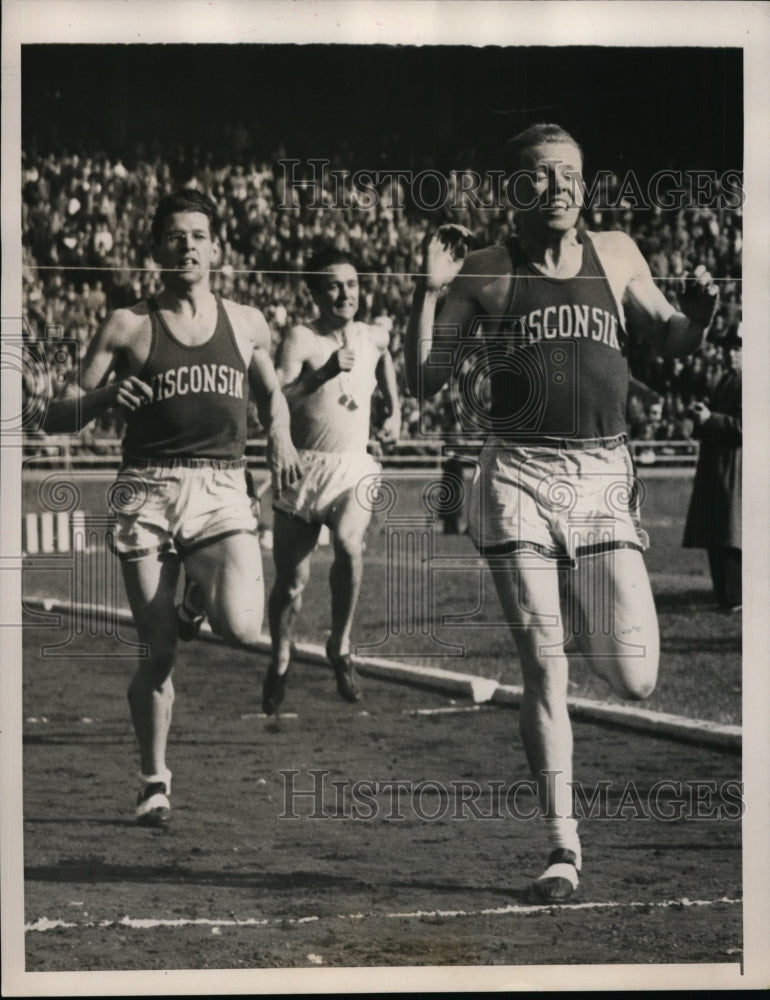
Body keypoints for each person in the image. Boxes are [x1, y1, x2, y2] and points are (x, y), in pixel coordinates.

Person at [405, 124, 719, 902]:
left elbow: (670, 336)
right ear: (516, 188)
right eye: (543, 176)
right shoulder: (484, 270)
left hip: (603, 474)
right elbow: (423, 381)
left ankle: (577, 596)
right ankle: (562, 845)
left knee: (638, 677)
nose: (560, 188)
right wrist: (428, 290)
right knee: (543, 663)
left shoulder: (617, 253)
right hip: (518, 472)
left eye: (571, 175)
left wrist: (702, 315)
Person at [42, 188, 302, 826]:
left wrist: (283, 439)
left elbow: (273, 397)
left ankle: (194, 601)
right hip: (147, 491)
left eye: (198, 235)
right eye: (174, 235)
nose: (187, 245)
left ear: (216, 248)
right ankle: (153, 780)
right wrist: (104, 399)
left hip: (219, 487)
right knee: (158, 655)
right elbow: (57, 415)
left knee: (243, 627)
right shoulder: (128, 324)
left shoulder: (246, 322)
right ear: (156, 247)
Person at [264, 248, 401, 714]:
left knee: (348, 544)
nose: (345, 294)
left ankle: (339, 647)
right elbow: (276, 400)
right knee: (292, 582)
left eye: (352, 285)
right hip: (302, 468)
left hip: (353, 466)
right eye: (334, 286)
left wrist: (396, 411)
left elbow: (385, 360)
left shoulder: (372, 335)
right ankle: (281, 656)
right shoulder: (301, 338)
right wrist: (322, 373)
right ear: (317, 293)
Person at [683, 325, 742, 611]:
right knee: (717, 532)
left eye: (738, 348)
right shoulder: (726, 380)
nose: (731, 353)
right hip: (717, 467)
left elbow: (745, 428)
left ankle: (734, 597)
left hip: (735, 468)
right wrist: (700, 419)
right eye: (729, 347)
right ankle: (725, 596)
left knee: (730, 532)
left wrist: (710, 419)